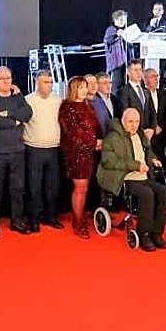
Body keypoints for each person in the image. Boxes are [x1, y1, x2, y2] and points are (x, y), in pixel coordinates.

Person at [98, 108, 166, 252]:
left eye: (137, 121)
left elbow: (148, 151)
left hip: (143, 177)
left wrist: (153, 159)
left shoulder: (140, 134)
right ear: (123, 121)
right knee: (147, 194)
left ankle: (156, 233)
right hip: (125, 179)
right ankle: (144, 234)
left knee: (164, 191)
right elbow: (108, 161)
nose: (134, 125)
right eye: (130, 121)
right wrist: (136, 165)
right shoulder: (112, 138)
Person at [0, 65, 33, 237]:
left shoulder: (17, 95)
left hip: (18, 151)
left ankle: (17, 221)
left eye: (8, 78)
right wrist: (15, 120)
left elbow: (28, 113)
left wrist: (7, 113)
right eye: (2, 79)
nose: (6, 82)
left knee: (18, 189)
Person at [58, 76, 99, 238]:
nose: (84, 90)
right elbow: (73, 133)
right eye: (80, 87)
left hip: (89, 152)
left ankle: (80, 215)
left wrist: (99, 140)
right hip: (76, 153)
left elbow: (94, 127)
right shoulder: (67, 107)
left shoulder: (88, 105)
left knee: (85, 187)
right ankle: (78, 221)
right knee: (80, 188)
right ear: (73, 89)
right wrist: (93, 142)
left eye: (85, 87)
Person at [23, 70, 61, 233]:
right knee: (34, 187)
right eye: (46, 82)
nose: (49, 85)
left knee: (52, 186)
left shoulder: (57, 100)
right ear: (37, 83)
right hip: (34, 149)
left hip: (53, 149)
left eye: (51, 82)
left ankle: (51, 216)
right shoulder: (28, 100)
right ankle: (34, 219)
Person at [114, 59, 153, 138]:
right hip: (133, 133)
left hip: (148, 134)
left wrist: (152, 129)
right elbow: (126, 114)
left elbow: (152, 111)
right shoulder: (123, 92)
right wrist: (138, 131)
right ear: (128, 73)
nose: (139, 73)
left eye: (140, 70)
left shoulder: (146, 91)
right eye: (135, 70)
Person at [144, 67, 166, 162]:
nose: (156, 79)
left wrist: (161, 127)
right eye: (152, 76)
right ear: (145, 79)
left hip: (160, 136)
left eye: (156, 76)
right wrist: (153, 127)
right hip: (146, 135)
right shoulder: (142, 94)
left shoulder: (164, 95)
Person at [102, 9, 130, 88]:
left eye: (124, 20)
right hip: (116, 63)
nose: (123, 22)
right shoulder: (111, 29)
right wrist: (117, 35)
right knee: (116, 85)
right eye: (121, 19)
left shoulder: (125, 31)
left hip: (124, 62)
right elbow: (107, 41)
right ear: (115, 20)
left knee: (124, 84)